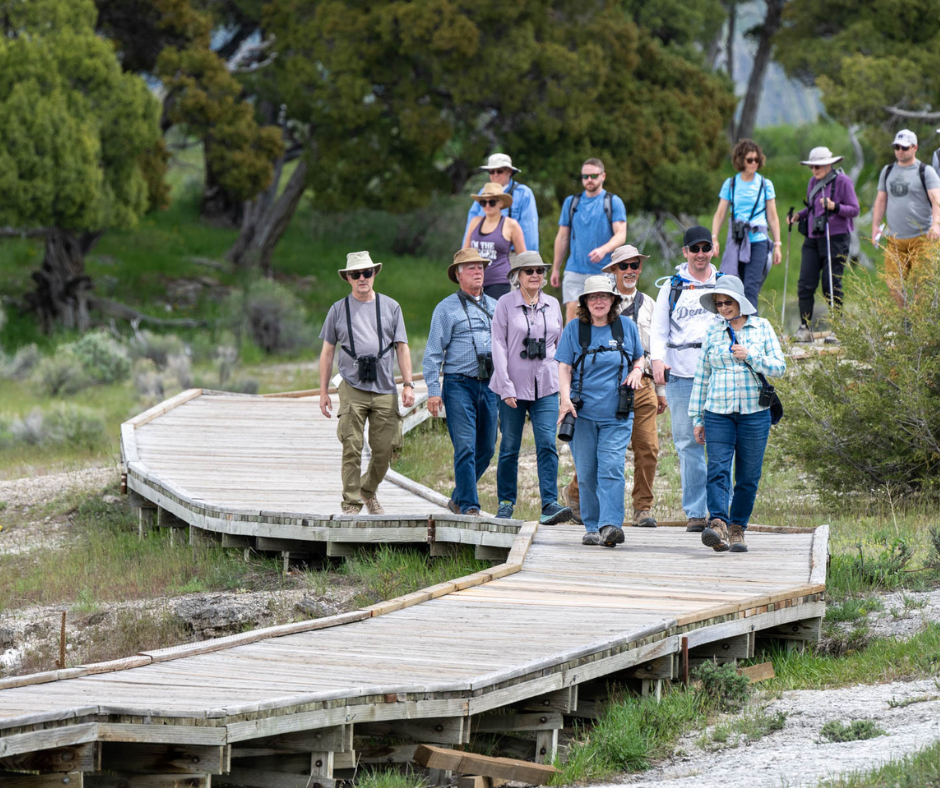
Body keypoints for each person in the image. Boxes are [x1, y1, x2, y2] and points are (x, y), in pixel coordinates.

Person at [563, 245, 667, 528]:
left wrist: (660, 390)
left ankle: (642, 508)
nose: (630, 270)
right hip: (598, 390)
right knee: (598, 456)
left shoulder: (650, 304)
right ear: (613, 271)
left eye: (635, 265)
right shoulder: (595, 306)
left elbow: (655, 349)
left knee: (647, 448)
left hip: (641, 383)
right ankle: (577, 496)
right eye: (624, 266)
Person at [689, 275, 786, 553]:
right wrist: (697, 418)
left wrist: (751, 355)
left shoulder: (762, 327)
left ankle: (737, 529)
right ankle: (718, 522)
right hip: (717, 412)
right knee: (717, 468)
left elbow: (780, 367)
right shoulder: (712, 331)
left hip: (755, 414)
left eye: (727, 302)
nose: (722, 308)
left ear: (740, 301)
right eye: (718, 304)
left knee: (748, 476)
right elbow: (702, 375)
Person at [319, 251, 415, 515]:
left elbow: (402, 347)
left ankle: (367, 490)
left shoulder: (392, 307)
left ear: (374, 274)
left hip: (385, 387)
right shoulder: (337, 309)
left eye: (367, 273)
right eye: (356, 274)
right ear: (348, 278)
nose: (362, 278)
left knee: (386, 449)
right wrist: (323, 392)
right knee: (351, 445)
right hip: (351, 386)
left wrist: (408, 384)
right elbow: (327, 351)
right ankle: (351, 504)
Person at [556, 276, 645, 547]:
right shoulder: (574, 329)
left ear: (613, 300)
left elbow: (639, 356)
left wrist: (638, 370)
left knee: (612, 468)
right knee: (586, 470)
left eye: (604, 296)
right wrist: (564, 400)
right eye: (593, 297)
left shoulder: (626, 327)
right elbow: (563, 367)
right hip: (581, 414)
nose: (598, 301)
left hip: (617, 414)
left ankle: (610, 526)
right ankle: (591, 526)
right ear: (584, 301)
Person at [489, 251, 571, 524]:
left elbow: (560, 347)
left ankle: (549, 504)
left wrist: (564, 387)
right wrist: (505, 385)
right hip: (512, 386)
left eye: (540, 270)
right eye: (529, 271)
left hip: (546, 385)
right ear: (517, 276)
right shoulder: (504, 304)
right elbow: (498, 345)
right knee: (510, 445)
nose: (536, 275)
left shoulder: (552, 304)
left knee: (547, 443)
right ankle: (506, 503)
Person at [649, 226, 722, 533]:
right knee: (687, 443)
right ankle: (696, 512)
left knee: (720, 442)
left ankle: (720, 510)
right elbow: (659, 330)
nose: (701, 254)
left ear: (713, 250)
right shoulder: (672, 287)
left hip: (719, 373)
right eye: (695, 249)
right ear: (685, 253)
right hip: (680, 373)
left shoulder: (724, 283)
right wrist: (656, 360)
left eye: (706, 247)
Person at [424, 249, 499, 516]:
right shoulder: (446, 308)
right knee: (465, 446)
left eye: (480, 267)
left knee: (487, 449)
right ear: (458, 275)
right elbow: (433, 353)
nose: (477, 271)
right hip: (459, 384)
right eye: (470, 268)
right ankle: (469, 506)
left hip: (490, 385)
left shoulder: (496, 306)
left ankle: (457, 498)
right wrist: (434, 391)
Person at [787, 146, 860, 344]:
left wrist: (834, 207)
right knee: (805, 283)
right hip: (813, 237)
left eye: (817, 166)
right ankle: (805, 327)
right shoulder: (813, 182)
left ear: (829, 164)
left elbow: (854, 209)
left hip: (835, 238)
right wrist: (797, 216)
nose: (814, 170)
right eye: (812, 167)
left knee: (831, 284)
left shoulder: (843, 181)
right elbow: (811, 208)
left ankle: (838, 327)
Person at [551, 158, 627, 323]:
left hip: (604, 270)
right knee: (572, 313)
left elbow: (621, 234)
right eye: (585, 176)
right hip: (575, 269)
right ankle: (574, 348)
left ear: (603, 176)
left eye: (593, 175)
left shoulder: (612, 202)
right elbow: (562, 236)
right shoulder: (571, 202)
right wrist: (556, 267)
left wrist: (604, 249)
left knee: (604, 316)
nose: (589, 180)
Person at [710, 139, 782, 312]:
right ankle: (734, 325)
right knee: (734, 284)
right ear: (741, 160)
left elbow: (772, 216)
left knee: (751, 285)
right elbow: (720, 213)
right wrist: (714, 238)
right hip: (737, 239)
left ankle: (751, 327)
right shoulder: (731, 183)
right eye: (750, 160)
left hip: (758, 239)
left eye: (757, 160)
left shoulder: (765, 184)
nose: (754, 163)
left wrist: (778, 244)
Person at [871, 129, 940, 305]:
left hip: (922, 238)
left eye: (904, 147)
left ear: (914, 148)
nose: (900, 151)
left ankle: (919, 327)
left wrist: (937, 224)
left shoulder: (926, 171)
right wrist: (875, 226)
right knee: (893, 284)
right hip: (895, 240)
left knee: (922, 284)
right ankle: (903, 324)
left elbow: (936, 200)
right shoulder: (887, 171)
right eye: (897, 147)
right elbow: (881, 200)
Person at [463, 153, 540, 252]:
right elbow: (470, 227)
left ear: (509, 172)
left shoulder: (524, 194)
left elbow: (529, 231)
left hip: (512, 254)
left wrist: (528, 262)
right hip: (482, 253)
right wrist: (464, 257)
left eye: (499, 171)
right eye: (491, 171)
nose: (495, 175)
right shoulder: (483, 193)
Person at [463, 183, 527, 300]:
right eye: (483, 202)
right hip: (474, 281)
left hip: (499, 282)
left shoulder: (511, 225)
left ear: (501, 203)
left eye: (492, 202)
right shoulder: (475, 222)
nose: (487, 205)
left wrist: (525, 284)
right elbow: (465, 253)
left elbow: (523, 257)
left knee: (494, 317)